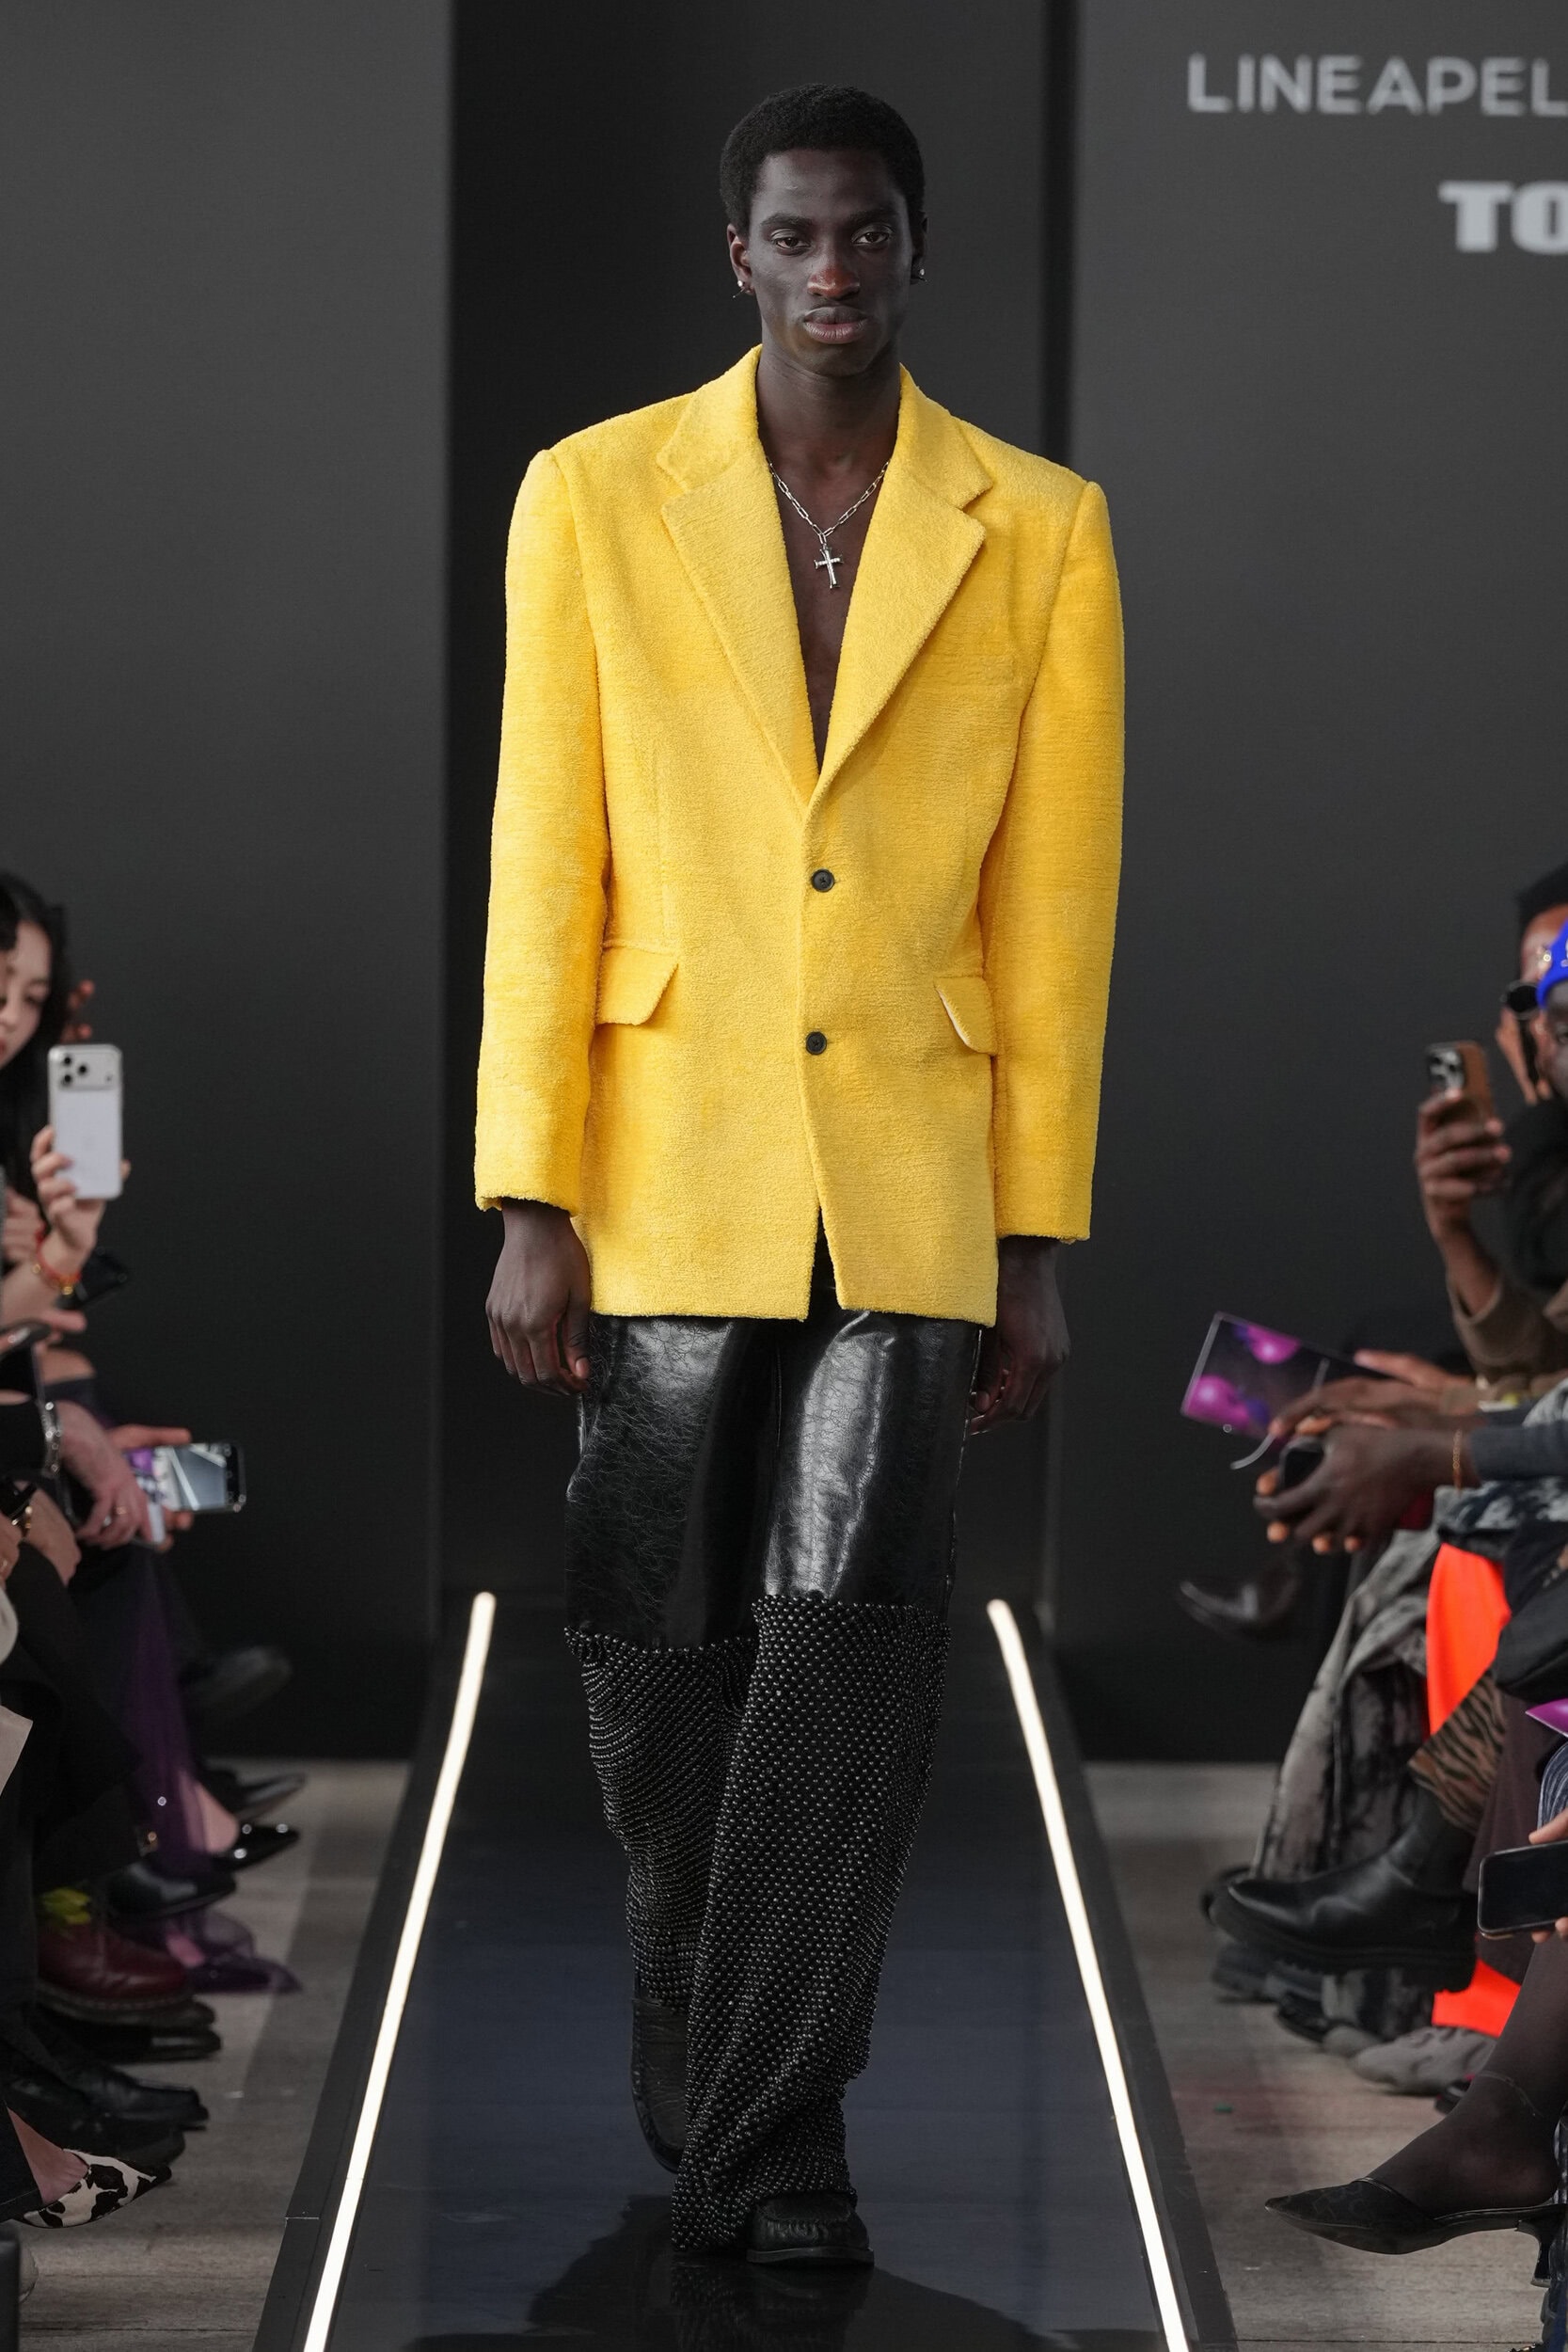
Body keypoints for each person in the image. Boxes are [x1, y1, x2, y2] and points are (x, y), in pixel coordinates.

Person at [476, 84, 1122, 2265]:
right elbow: (545, 850)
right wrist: (529, 1192)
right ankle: (711, 2052)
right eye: (794, 233)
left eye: (865, 231)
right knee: (659, 1661)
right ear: (735, 255)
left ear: (916, 250)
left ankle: (774, 2142)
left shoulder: (1039, 525)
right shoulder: (593, 492)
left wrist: (1035, 1235)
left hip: (914, 1168)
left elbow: (1055, 911)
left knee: (847, 1654)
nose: (832, 267)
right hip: (665, 1155)